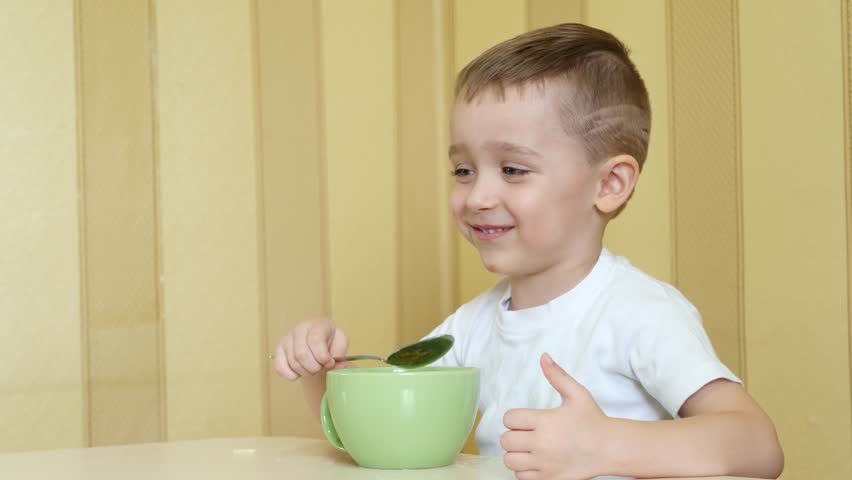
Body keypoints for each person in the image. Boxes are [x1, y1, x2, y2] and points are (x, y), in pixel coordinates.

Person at [274, 23, 784, 480]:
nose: (477, 196)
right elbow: (387, 433)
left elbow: (757, 445)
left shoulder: (641, 313)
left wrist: (605, 445)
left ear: (609, 184)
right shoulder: (472, 327)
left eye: (513, 170)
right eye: (463, 170)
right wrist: (323, 373)